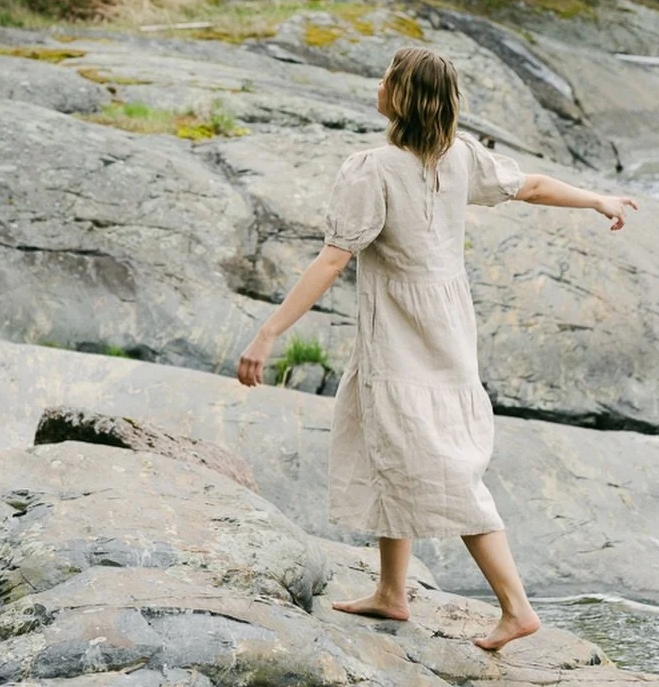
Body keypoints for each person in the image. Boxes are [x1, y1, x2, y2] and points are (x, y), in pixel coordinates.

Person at [237, 45, 638, 651]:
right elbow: (528, 185)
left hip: (404, 328)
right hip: (446, 322)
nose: (377, 83)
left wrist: (269, 332)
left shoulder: (372, 167)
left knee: (439, 461)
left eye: (385, 77)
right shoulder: (461, 156)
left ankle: (516, 608)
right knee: (390, 439)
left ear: (399, 97)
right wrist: (596, 198)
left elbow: (333, 257)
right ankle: (393, 592)